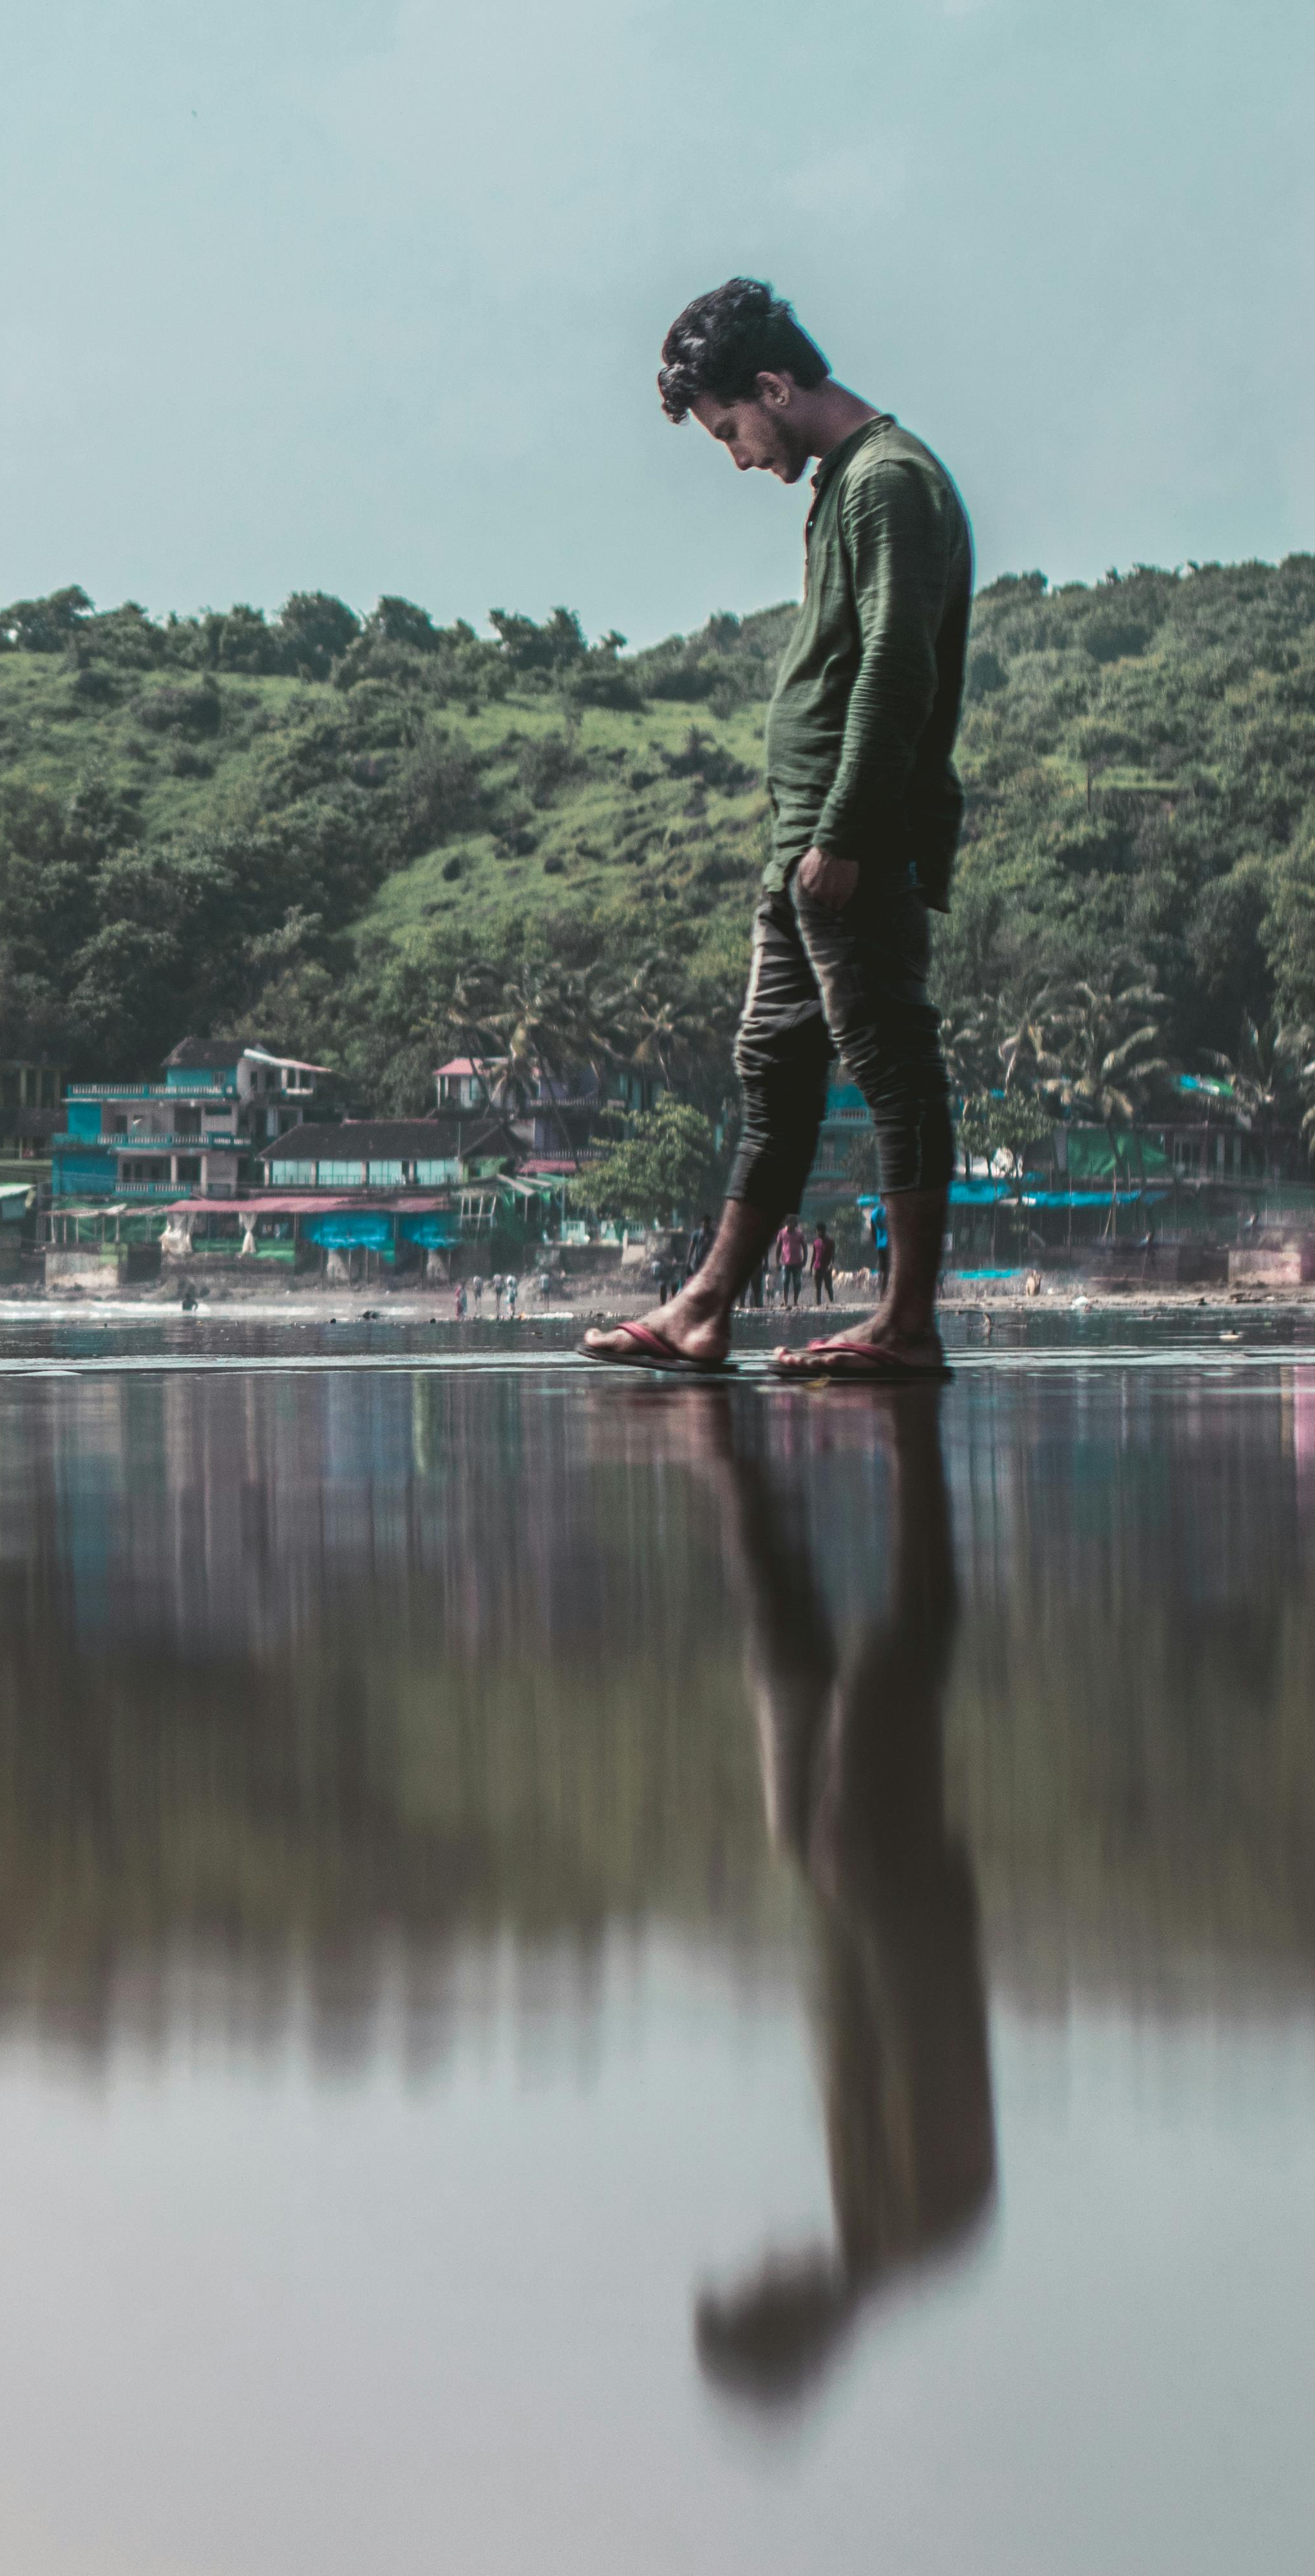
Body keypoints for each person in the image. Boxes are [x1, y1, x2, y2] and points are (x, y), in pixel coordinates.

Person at [582, 279, 969, 1382]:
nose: (741, 457)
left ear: (772, 386)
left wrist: (846, 829)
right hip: (804, 838)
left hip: (851, 834)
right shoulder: (848, 483)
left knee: (891, 1061)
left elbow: (899, 663)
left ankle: (904, 1323)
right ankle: (705, 1306)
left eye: (731, 432)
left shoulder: (888, 482)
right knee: (774, 1069)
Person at [683, 1389, 993, 2409]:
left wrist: (822, 1877)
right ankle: (910, 1452)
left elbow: (844, 2023)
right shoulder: (919, 2226)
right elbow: (911, 2013)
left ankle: (739, 1476)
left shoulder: (874, 2226)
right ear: (798, 2320)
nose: (771, 2258)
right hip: (893, 1895)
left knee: (795, 1688)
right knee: (885, 1681)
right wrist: (850, 1878)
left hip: (862, 1896)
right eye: (769, 2289)